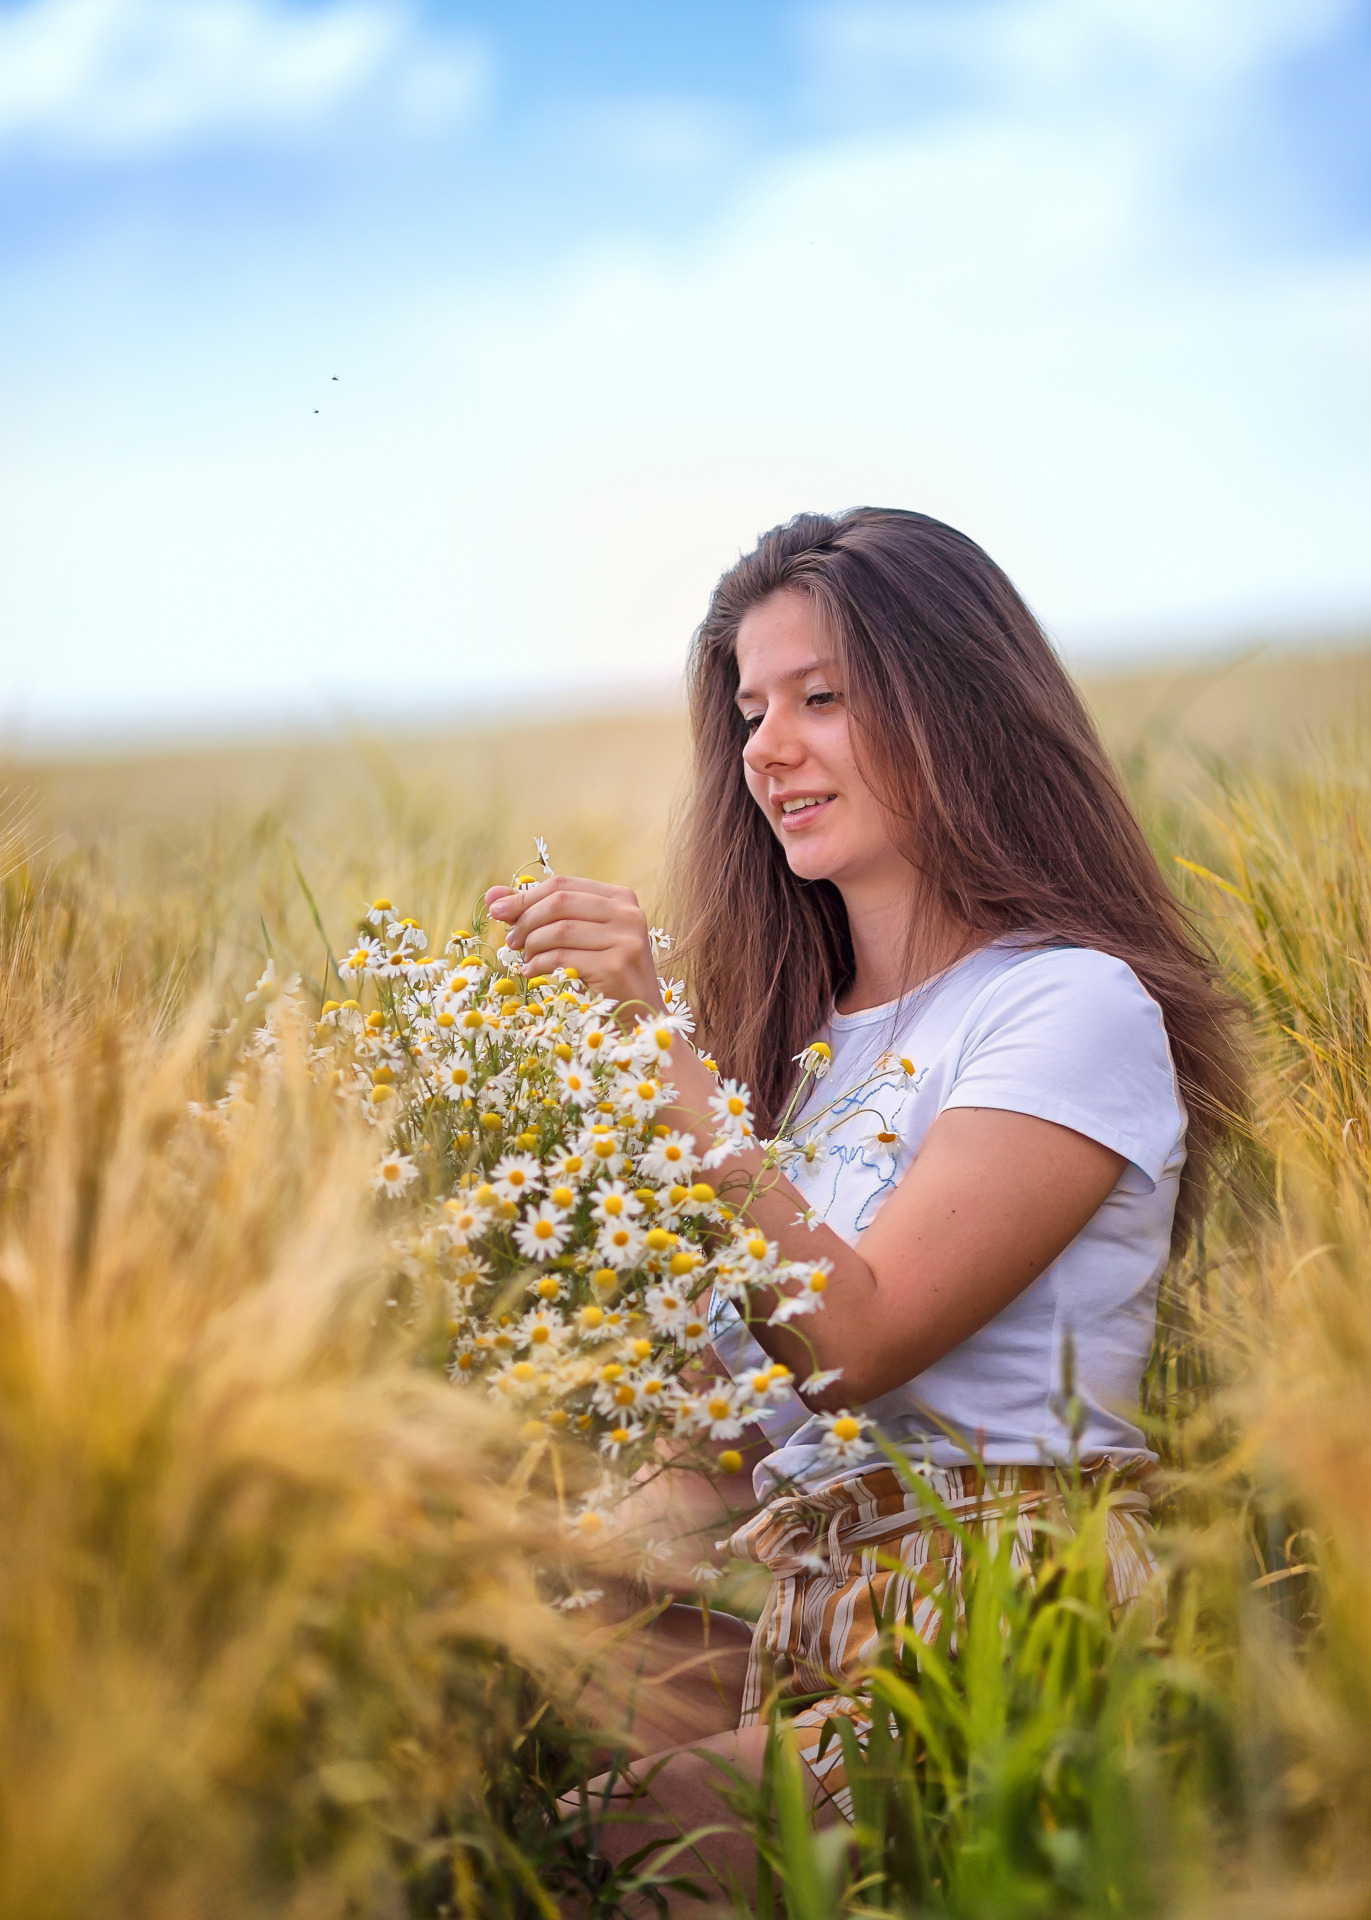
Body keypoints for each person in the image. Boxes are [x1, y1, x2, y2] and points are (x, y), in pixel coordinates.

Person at [485, 508, 1242, 1909]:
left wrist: (662, 1056)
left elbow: (855, 1343)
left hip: (1012, 1609)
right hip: (797, 1602)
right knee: (496, 1808)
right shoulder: (790, 1057)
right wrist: (500, 1563)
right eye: (752, 708)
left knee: (626, 1847)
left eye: (822, 699)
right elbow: (747, 1434)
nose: (770, 748)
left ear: (953, 704)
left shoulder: (1068, 1004)